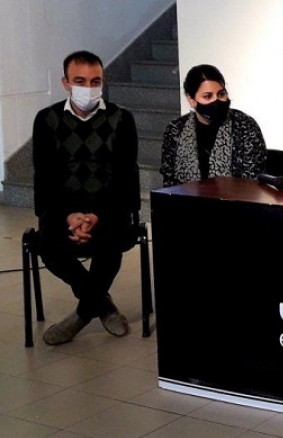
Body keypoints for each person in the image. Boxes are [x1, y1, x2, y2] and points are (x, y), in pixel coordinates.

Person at [33, 50, 140, 345]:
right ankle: (101, 305)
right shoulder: (47, 120)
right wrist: (70, 216)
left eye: (96, 81)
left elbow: (125, 177)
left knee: (111, 243)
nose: (89, 88)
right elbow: (45, 177)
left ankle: (80, 315)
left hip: (108, 208)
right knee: (48, 247)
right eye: (80, 81)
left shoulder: (121, 119)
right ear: (66, 83)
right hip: (63, 209)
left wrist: (96, 216)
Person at [160, 64, 267, 187]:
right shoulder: (176, 129)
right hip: (187, 199)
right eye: (207, 96)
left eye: (221, 94)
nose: (216, 101)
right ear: (191, 100)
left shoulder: (245, 126)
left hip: (235, 198)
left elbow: (251, 182)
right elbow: (169, 183)